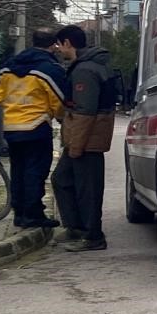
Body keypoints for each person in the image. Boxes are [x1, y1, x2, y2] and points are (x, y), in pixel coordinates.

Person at [0, 30, 68, 229]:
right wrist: (55, 115)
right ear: (52, 45)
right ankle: (33, 215)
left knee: (18, 169)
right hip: (36, 125)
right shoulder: (49, 69)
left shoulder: (9, 67)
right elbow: (59, 100)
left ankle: (20, 213)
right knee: (36, 171)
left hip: (12, 127)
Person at [50, 25, 117, 253]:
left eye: (60, 44)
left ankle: (93, 236)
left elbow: (84, 112)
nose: (58, 49)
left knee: (88, 189)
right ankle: (76, 227)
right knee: (61, 179)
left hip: (87, 140)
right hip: (82, 138)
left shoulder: (85, 71)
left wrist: (75, 146)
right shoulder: (88, 65)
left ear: (68, 43)